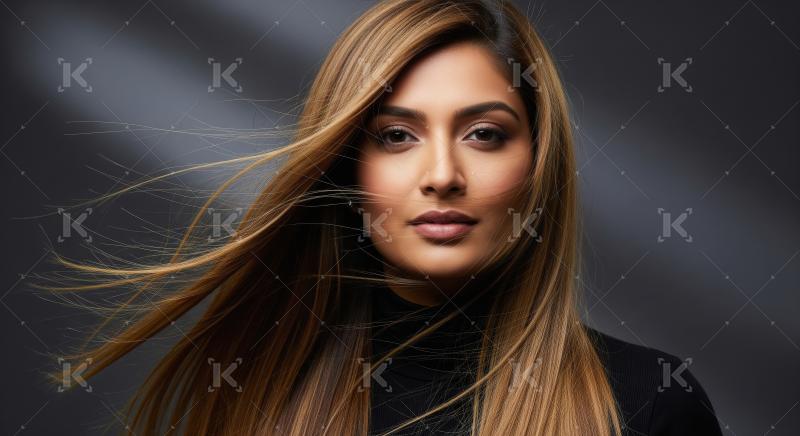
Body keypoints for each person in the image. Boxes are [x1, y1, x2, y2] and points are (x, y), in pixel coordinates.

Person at [44, 1, 724, 434]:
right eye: (396, 136)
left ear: (539, 163)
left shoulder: (647, 406)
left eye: (484, 134)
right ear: (346, 166)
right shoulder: (256, 405)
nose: (441, 175)